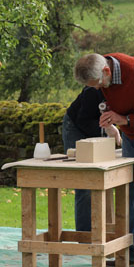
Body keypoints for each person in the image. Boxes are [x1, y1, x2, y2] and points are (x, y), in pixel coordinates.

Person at [74, 53, 134, 266]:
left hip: (129, 127)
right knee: (129, 192)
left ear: (107, 71)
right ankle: (129, 255)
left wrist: (124, 119)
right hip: (130, 135)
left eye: (99, 85)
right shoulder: (103, 74)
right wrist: (110, 116)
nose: (99, 90)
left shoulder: (131, 71)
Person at [62, 86, 121, 232]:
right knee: (85, 184)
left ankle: (108, 233)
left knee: (107, 177)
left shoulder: (124, 89)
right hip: (76, 127)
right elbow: (84, 120)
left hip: (98, 123)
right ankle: (85, 237)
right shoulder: (93, 90)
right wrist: (106, 128)